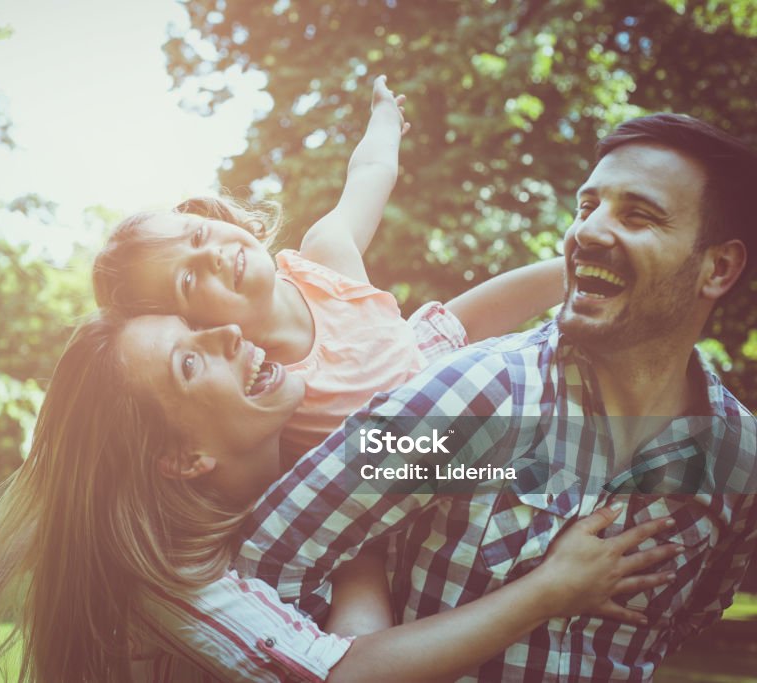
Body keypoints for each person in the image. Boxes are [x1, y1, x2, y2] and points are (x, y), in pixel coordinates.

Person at [235, 113, 757, 681]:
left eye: (638, 215)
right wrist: (364, 649)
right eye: (587, 207)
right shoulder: (474, 398)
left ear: (719, 267)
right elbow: (271, 566)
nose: (586, 232)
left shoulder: (739, 460)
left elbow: (683, 621)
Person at [0, 310, 681, 683]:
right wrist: (553, 587)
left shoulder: (326, 411)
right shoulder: (172, 584)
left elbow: (449, 320)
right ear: (184, 456)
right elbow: (343, 674)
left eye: (200, 324)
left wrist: (586, 284)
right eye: (192, 360)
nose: (229, 329)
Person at [93, 75, 565, 458]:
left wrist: (383, 118)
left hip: (425, 360)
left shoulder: (323, 257)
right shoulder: (257, 386)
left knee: (455, 322)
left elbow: (369, 174)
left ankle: (575, 270)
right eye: (189, 279)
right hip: (411, 462)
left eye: (198, 235)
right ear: (193, 328)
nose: (211, 255)